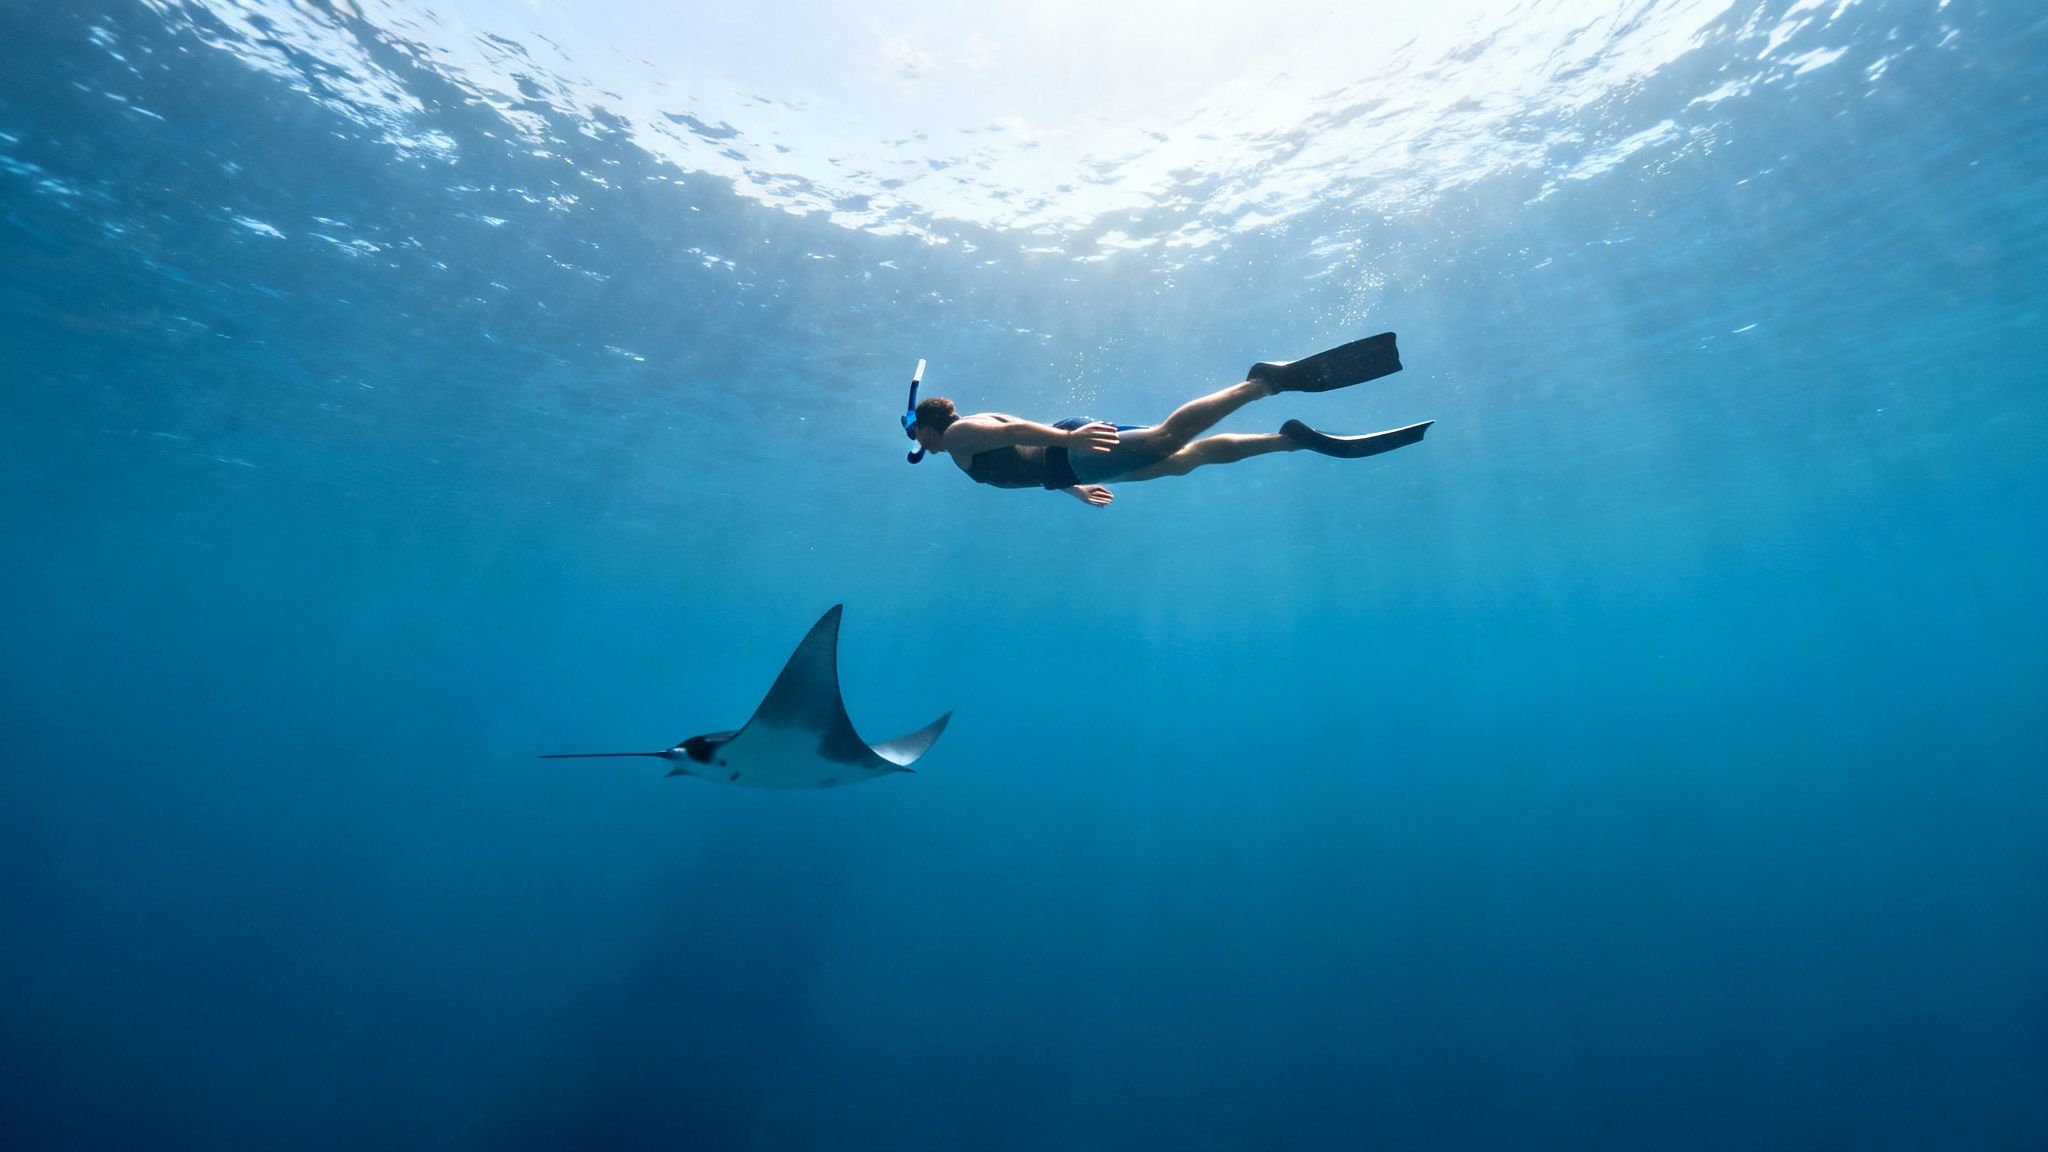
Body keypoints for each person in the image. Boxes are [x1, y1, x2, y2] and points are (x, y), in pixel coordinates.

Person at [903, 333, 1432, 508]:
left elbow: (1017, 434)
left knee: (1165, 438)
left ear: (927, 427)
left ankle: (1263, 383)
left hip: (1069, 448)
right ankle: (1288, 441)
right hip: (1069, 468)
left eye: (916, 437)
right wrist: (1072, 490)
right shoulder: (957, 441)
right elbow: (1020, 462)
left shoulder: (958, 434)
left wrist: (1071, 437)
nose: (922, 446)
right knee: (1181, 462)